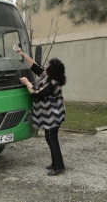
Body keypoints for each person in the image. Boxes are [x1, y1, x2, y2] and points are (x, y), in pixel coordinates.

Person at [16, 46, 66, 176]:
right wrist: (22, 54)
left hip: (53, 115)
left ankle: (59, 166)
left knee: (52, 139)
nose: (46, 65)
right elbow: (35, 66)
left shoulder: (53, 83)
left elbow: (36, 94)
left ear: (52, 70)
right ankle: (55, 163)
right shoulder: (47, 76)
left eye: (48, 64)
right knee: (50, 138)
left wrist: (27, 82)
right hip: (49, 115)